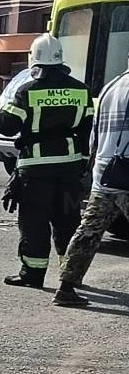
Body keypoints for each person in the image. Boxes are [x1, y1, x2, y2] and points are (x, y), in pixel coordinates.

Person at [0, 33, 94, 289]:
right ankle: (70, 275)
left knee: (34, 223)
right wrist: (83, 163)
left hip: (35, 169)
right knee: (68, 221)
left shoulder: (28, 90)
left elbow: (6, 127)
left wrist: (6, 108)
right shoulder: (81, 90)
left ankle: (33, 274)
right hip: (71, 168)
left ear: (34, 59)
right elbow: (87, 129)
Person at [53, 66, 129, 307]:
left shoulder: (110, 87)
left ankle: (66, 287)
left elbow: (94, 136)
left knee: (88, 231)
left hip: (105, 174)